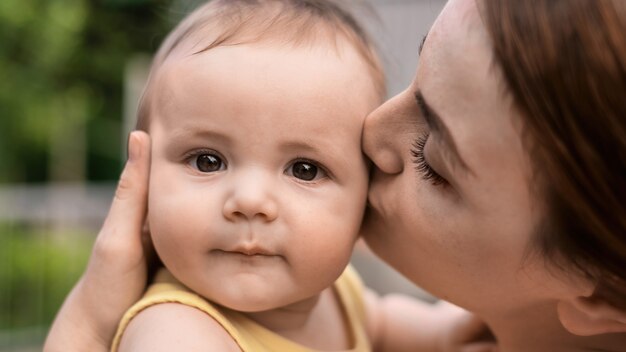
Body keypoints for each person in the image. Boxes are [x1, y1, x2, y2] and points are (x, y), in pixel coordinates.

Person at [45, 0, 626, 351]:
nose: (249, 200)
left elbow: (384, 325)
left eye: (304, 168)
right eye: (207, 161)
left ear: (598, 291)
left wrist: (446, 335)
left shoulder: (331, 296)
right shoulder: (176, 332)